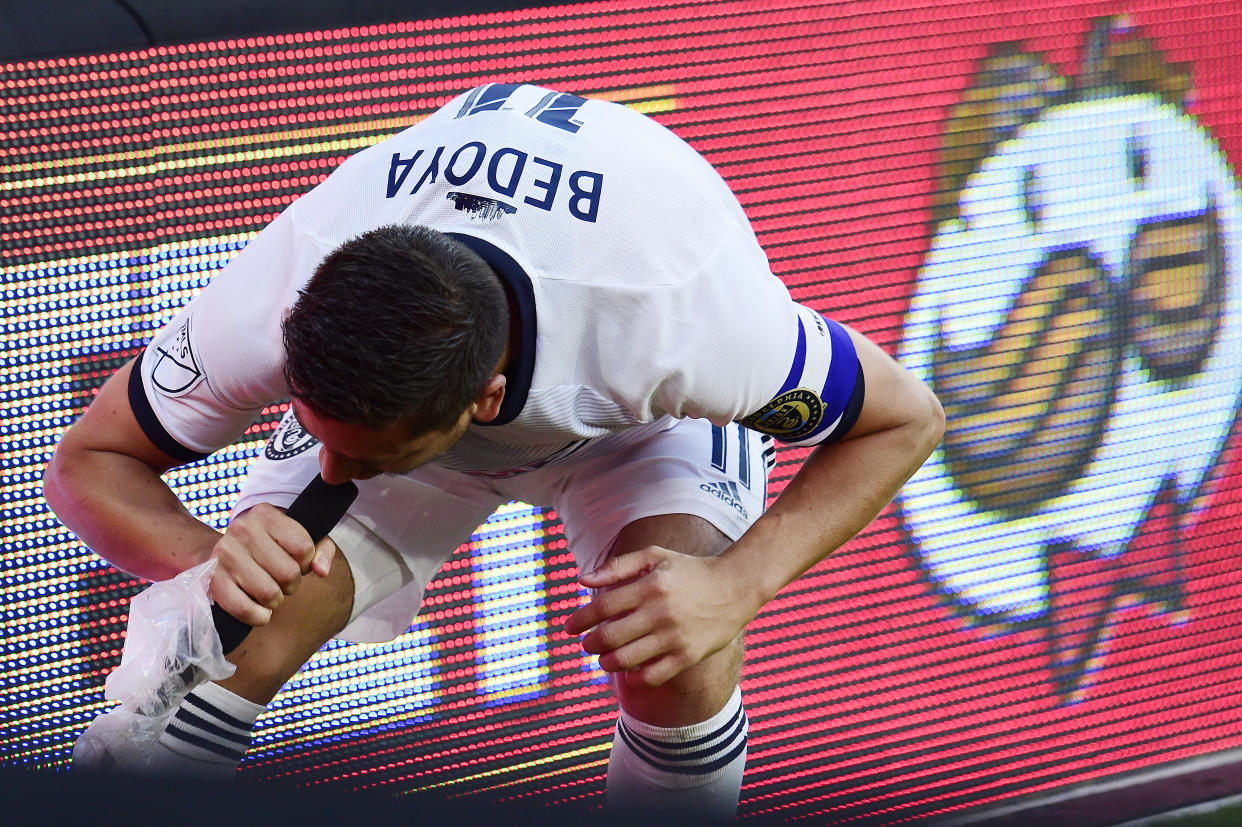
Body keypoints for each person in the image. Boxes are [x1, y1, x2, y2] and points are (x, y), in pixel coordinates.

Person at [43, 82, 944, 817]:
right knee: (221, 640)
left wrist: (735, 586)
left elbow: (905, 419)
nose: (332, 476)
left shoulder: (678, 318)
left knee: (672, 646)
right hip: (458, 370)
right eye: (319, 434)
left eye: (366, 455)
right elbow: (87, 463)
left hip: (647, 417)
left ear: (485, 400)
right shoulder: (279, 296)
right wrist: (210, 555)